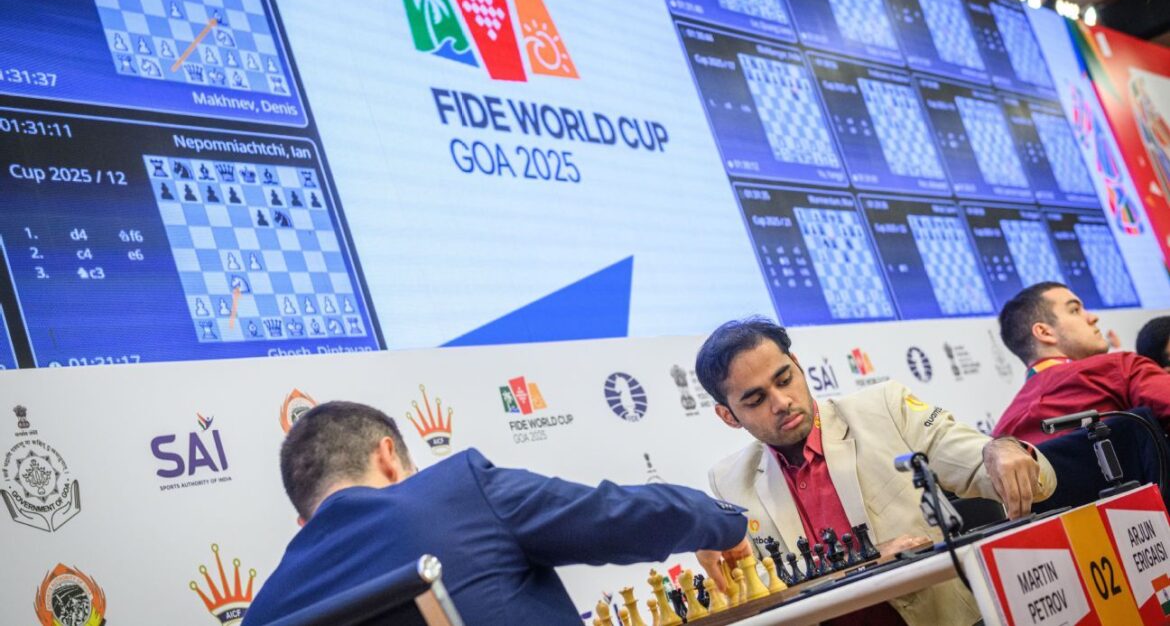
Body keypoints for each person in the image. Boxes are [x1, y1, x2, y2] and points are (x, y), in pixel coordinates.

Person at [242, 401, 749, 625]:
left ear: (305, 522)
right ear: (388, 458)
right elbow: (622, 516)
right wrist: (724, 524)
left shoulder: (263, 614)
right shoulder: (456, 493)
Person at [695, 318, 1055, 626]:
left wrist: (1003, 450)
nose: (781, 402)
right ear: (728, 415)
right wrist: (863, 564)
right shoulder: (729, 481)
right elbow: (755, 588)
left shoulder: (885, 408)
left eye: (785, 378)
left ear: (798, 365)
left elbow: (988, 466)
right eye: (756, 400)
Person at [992, 282, 1170, 444]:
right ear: (1045, 332)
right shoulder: (1120, 368)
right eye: (1075, 310)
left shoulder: (999, 440)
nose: (1092, 317)